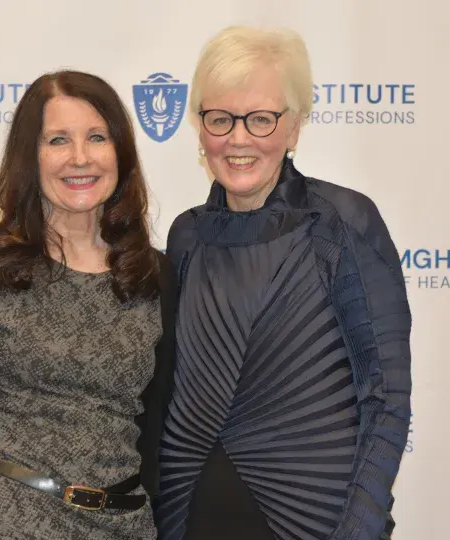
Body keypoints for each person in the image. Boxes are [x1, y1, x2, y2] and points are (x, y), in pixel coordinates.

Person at [155, 26, 412, 540]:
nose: (239, 138)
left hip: (316, 521)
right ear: (200, 128)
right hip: (191, 515)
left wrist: (357, 531)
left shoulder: (342, 222)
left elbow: (385, 398)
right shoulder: (186, 235)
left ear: (293, 128)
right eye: (220, 118)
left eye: (261, 118)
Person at [0, 70, 176, 539]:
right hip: (0, 520)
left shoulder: (154, 275)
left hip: (124, 524)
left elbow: (159, 419)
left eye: (97, 137)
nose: (80, 157)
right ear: (30, 155)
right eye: (58, 140)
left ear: (121, 152)